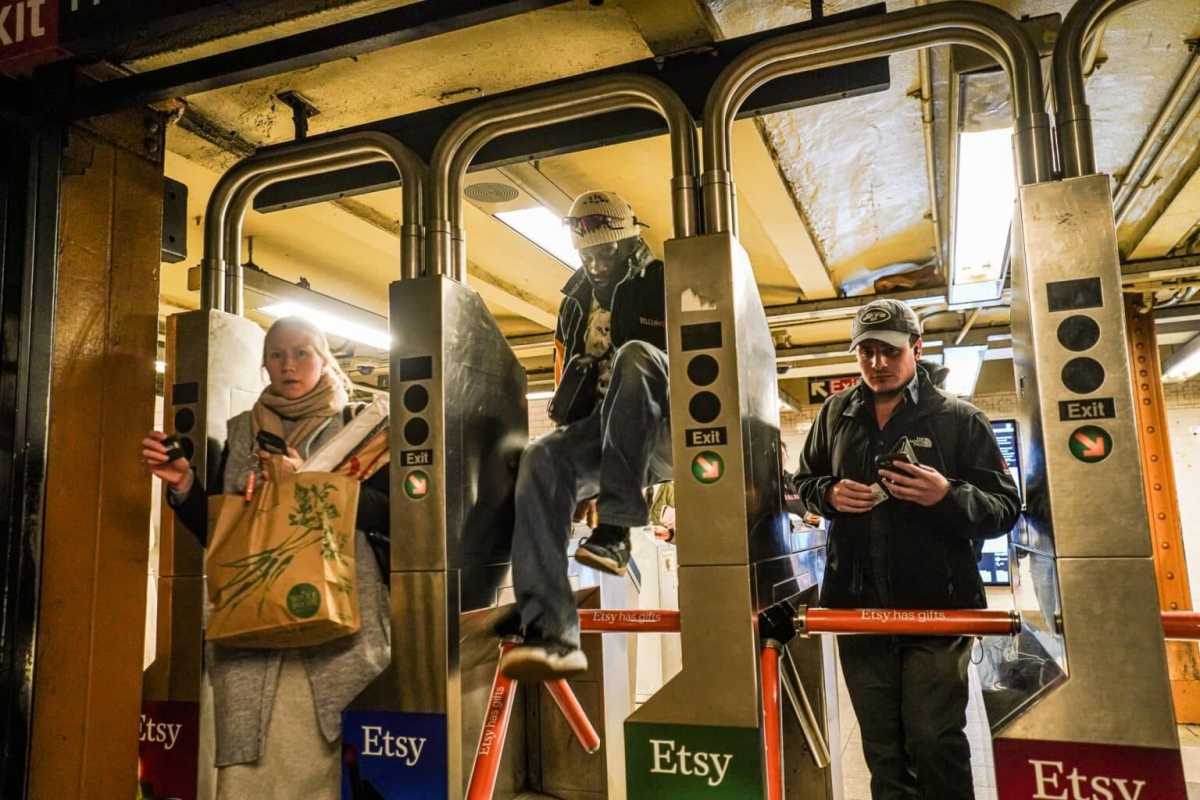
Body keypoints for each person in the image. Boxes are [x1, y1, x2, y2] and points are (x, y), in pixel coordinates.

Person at [140, 317, 391, 799]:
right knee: (251, 772)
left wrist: (313, 487)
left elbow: (395, 515)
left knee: (325, 764)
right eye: (277, 355)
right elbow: (224, 532)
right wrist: (184, 484)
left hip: (337, 634)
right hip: (251, 635)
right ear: (264, 364)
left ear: (324, 361)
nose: (288, 365)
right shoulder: (241, 434)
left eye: (301, 353)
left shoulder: (361, 427)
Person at [791, 298, 1020, 800]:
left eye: (889, 351)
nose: (877, 363)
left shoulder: (958, 418)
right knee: (883, 749)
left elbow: (1005, 508)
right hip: (857, 609)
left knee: (933, 739)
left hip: (937, 609)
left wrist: (948, 496)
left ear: (916, 348)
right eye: (866, 351)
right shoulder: (836, 413)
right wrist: (827, 494)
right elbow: (803, 481)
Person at [500, 190, 669, 680]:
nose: (596, 262)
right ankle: (552, 632)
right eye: (587, 252)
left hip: (669, 423)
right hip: (604, 431)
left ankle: (617, 531)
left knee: (635, 356)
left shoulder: (661, 280)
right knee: (541, 457)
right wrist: (570, 478)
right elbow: (564, 378)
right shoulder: (573, 302)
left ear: (628, 240)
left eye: (606, 251)